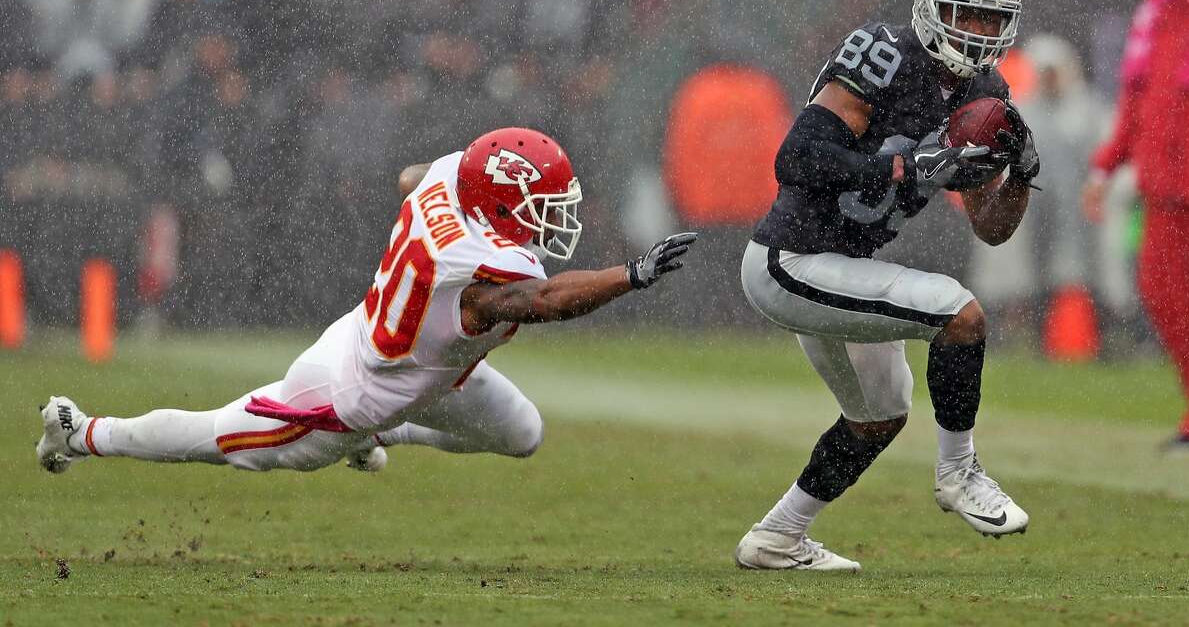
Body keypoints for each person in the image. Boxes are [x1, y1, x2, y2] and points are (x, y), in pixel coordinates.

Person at [36, 127, 697, 477]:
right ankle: (85, 433)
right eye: (542, 206)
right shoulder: (484, 271)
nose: (553, 219)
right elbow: (547, 301)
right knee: (219, 438)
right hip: (345, 393)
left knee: (523, 435)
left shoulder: (450, 180)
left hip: (424, 362)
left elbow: (413, 178)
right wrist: (631, 274)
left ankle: (391, 431)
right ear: (498, 201)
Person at [736, 0, 1041, 572]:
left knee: (879, 415)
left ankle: (777, 538)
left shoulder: (986, 92)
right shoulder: (883, 56)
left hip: (847, 268)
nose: (979, 34)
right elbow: (796, 159)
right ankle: (959, 473)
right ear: (930, 9)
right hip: (790, 259)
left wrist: (1018, 176)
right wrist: (899, 167)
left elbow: (991, 229)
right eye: (965, 14)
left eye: (992, 19)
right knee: (961, 316)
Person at [1082, 0, 1189, 451]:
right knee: (1163, 295)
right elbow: (1136, 97)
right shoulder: (1159, 7)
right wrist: (1106, 165)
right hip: (1165, 185)